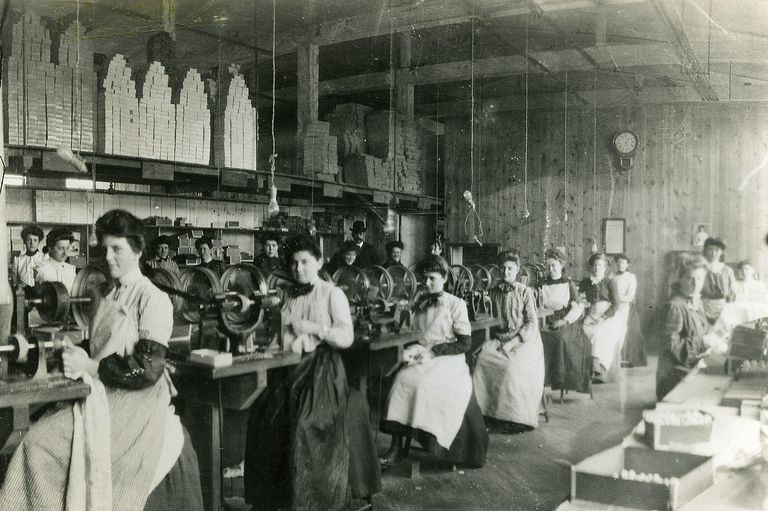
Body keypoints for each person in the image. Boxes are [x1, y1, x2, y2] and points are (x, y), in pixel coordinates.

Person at [0, 209, 203, 511]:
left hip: (136, 403)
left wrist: (89, 366)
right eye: (104, 249)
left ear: (137, 250)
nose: (108, 257)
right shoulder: (108, 296)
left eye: (117, 249)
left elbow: (148, 368)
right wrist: (65, 350)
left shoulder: (152, 298)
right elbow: (100, 344)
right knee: (37, 435)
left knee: (38, 444)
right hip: (103, 391)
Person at [244, 235, 380, 510]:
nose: (298, 269)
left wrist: (316, 329)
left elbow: (346, 337)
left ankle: (311, 502)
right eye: (293, 263)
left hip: (322, 369)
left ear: (318, 262)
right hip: (288, 367)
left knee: (304, 422)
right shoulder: (287, 294)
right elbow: (279, 332)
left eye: (305, 262)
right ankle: (274, 499)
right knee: (263, 415)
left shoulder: (332, 294)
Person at [380, 255, 488, 469]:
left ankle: (431, 440)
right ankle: (396, 445)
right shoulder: (418, 300)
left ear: (445, 278)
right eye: (424, 279)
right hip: (422, 352)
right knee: (400, 379)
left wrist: (435, 351)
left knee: (422, 384)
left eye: (432, 279)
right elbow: (408, 327)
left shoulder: (455, 304)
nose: (427, 283)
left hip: (448, 358)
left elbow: (465, 343)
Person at [473, 251, 544, 433]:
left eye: (510, 269)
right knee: (482, 359)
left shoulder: (525, 292)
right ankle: (487, 412)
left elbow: (532, 322)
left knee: (512, 366)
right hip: (501, 337)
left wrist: (513, 343)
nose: (506, 272)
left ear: (517, 270)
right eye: (503, 269)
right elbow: (487, 314)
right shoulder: (494, 291)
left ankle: (516, 418)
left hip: (525, 340)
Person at [537, 248, 591, 395]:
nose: (551, 269)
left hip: (567, 320)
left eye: (554, 265)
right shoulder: (543, 284)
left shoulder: (568, 283)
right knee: (539, 337)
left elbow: (579, 306)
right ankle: (544, 379)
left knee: (560, 338)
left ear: (561, 265)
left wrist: (565, 321)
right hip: (547, 319)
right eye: (548, 266)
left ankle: (561, 378)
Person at [656, 257, 710, 400]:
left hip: (690, 365)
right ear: (680, 279)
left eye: (699, 278)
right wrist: (702, 342)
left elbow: (702, 329)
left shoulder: (696, 301)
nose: (695, 284)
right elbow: (671, 345)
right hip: (675, 375)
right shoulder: (675, 306)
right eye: (689, 278)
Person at [579, 253, 627, 383]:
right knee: (584, 331)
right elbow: (579, 297)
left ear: (605, 267)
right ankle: (588, 368)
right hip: (592, 314)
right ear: (591, 267)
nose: (597, 268)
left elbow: (616, 304)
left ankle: (598, 367)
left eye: (600, 265)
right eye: (594, 265)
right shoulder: (586, 282)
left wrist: (605, 316)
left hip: (608, 315)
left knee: (599, 333)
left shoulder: (610, 282)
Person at [611, 254, 647, 367]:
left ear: (627, 264)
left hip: (625, 306)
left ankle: (628, 358)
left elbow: (630, 296)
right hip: (612, 306)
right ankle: (612, 358)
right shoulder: (612, 275)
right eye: (618, 262)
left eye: (623, 262)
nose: (620, 264)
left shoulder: (630, 277)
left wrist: (617, 298)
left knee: (630, 330)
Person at [700, 237, 736, 323]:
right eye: (710, 249)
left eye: (716, 250)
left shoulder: (728, 271)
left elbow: (731, 293)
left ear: (721, 252)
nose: (713, 253)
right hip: (703, 308)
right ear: (705, 251)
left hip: (723, 309)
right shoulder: (701, 269)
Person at [35, 227, 77, 292]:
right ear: (50, 248)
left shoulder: (71, 269)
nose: (65, 253)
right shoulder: (41, 269)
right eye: (61, 248)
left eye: (67, 248)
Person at [12, 224, 45, 289]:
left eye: (35, 240)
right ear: (24, 241)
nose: (32, 243)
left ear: (39, 242)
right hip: (23, 296)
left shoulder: (44, 258)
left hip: (41, 296)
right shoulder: (18, 260)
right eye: (29, 240)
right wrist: (17, 286)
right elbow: (15, 283)